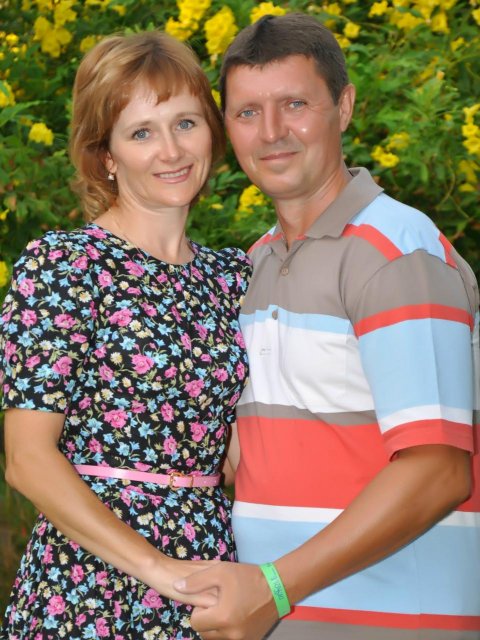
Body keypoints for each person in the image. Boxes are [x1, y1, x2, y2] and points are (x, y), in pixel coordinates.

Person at [174, 13, 480, 640]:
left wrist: (275, 586)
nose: (272, 132)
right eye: (248, 112)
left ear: (343, 106)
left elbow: (438, 472)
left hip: (397, 625)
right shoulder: (254, 265)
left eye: (295, 104)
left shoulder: (397, 252)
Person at [0, 30, 251, 639]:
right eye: (141, 132)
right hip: (91, 584)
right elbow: (27, 460)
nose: (171, 150)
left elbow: (244, 449)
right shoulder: (64, 266)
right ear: (106, 155)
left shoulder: (235, 277)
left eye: (186, 123)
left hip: (212, 574)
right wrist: (158, 569)